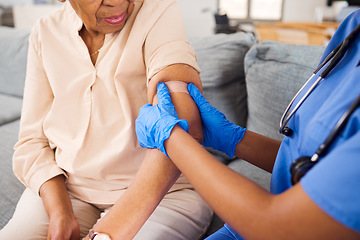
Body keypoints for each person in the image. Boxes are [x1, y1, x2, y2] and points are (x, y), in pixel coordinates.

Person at [135, 9, 360, 240]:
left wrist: (172, 138)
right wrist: (235, 139)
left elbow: (283, 227)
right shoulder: (353, 28)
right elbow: (314, 161)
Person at [0, 0, 213, 239]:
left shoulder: (157, 10)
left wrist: (109, 231)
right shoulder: (46, 32)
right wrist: (60, 212)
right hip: (69, 188)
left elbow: (182, 119)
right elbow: (31, 142)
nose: (118, 1)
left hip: (166, 194)